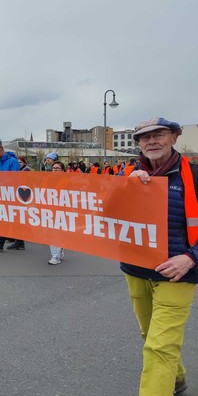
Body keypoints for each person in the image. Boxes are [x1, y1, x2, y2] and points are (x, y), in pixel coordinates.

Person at [124, 117, 197, 395]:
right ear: (139, 144)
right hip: (136, 270)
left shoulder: (195, 176)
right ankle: (176, 379)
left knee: (159, 346)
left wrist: (191, 257)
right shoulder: (127, 175)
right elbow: (104, 216)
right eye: (144, 137)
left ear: (174, 137)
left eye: (159, 134)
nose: (151, 141)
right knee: (149, 334)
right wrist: (124, 188)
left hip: (178, 273)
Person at [0, 144, 22, 251]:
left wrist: (1, 183)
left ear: (1, 150)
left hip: (11, 194)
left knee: (6, 218)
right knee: (9, 218)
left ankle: (1, 243)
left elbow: (16, 178)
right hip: (1, 194)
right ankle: (20, 241)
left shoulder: (12, 161)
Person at [48, 161, 66, 265]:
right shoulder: (47, 180)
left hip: (61, 210)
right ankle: (58, 251)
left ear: (62, 170)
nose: (54, 170)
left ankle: (55, 256)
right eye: (53, 168)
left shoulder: (67, 181)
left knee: (56, 233)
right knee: (51, 233)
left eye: (57, 168)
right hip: (50, 209)